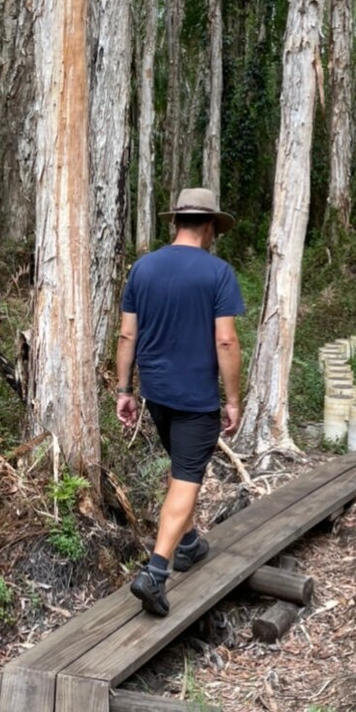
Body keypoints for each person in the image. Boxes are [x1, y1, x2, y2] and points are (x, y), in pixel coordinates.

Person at [115, 187, 245, 616]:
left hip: (157, 392)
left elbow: (127, 335)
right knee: (187, 477)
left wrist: (124, 390)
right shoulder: (217, 273)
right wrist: (232, 399)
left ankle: (188, 544)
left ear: (176, 222)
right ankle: (155, 572)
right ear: (209, 227)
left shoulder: (143, 268)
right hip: (196, 396)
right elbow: (225, 340)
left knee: (180, 472)